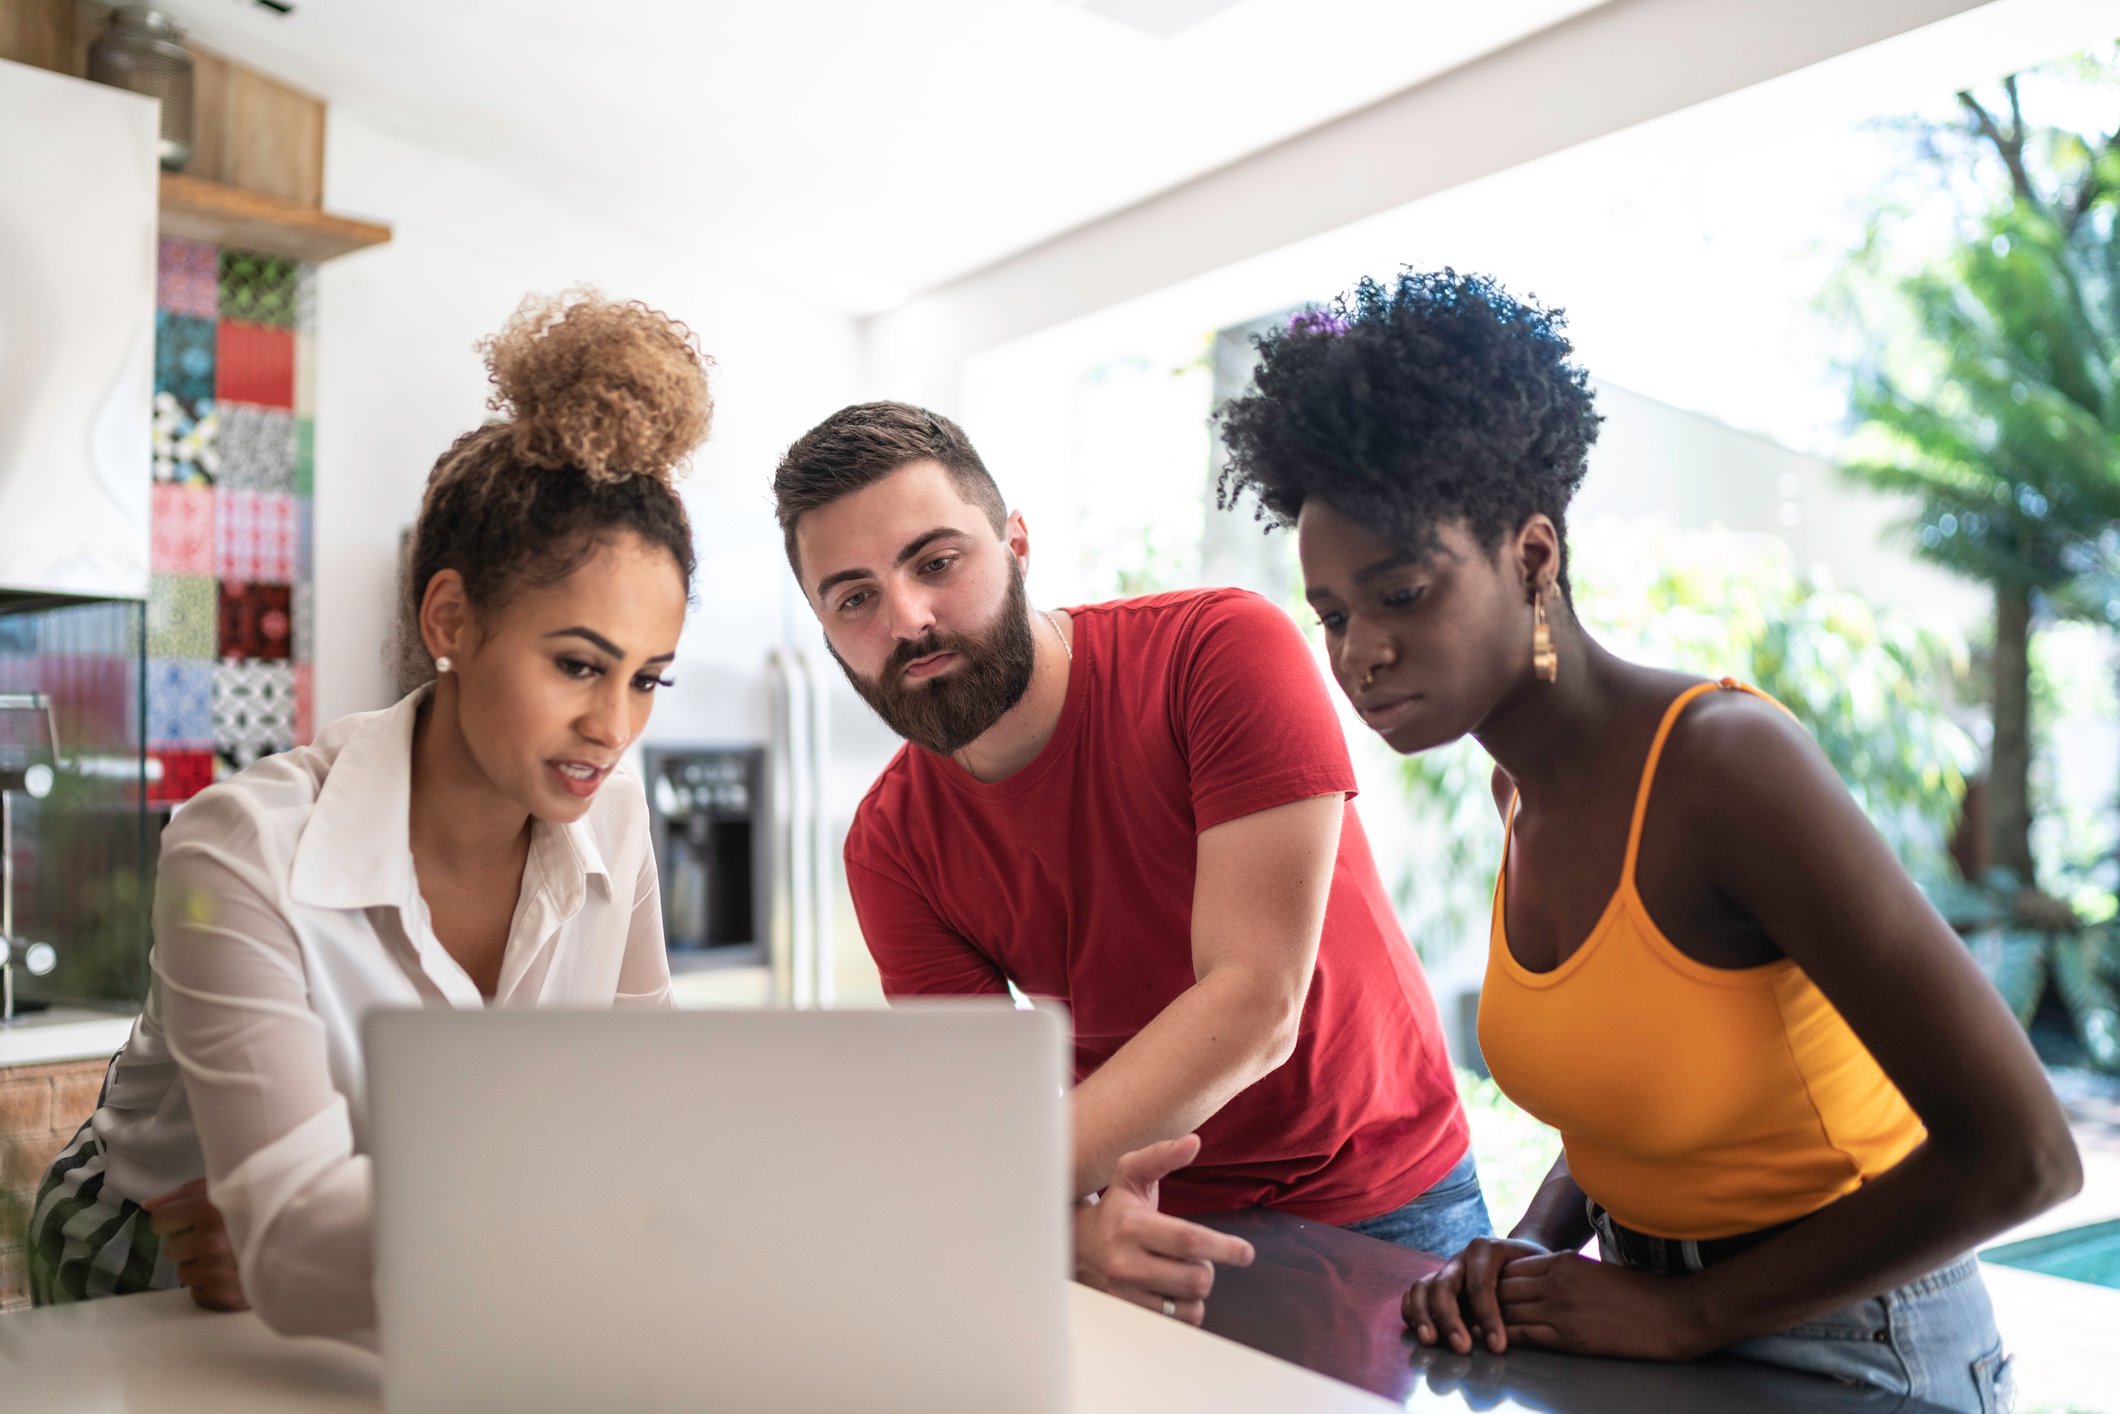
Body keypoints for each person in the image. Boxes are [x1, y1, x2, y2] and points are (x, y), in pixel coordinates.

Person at [1215, 268, 2082, 1410]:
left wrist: (1689, 1315)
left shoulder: (1725, 767)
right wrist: (1533, 1242)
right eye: (1330, 613)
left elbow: (2024, 1156)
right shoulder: (1517, 792)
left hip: (1856, 1340)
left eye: (1404, 594)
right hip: (1640, 1313)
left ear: (1531, 557)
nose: (1357, 651)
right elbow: (1638, 1081)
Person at [29, 291, 711, 1342]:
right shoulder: (241, 847)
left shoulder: (613, 821)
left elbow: (642, 1115)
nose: (612, 726)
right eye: (578, 664)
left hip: (400, 1246)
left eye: (647, 680)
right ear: (450, 617)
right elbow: (294, 1237)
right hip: (158, 1251)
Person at [770, 402, 1482, 1324]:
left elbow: (1258, 1001)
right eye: (855, 597)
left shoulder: (1216, 650)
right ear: (826, 630)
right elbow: (982, 1108)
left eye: (938, 563)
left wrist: (1005, 1200)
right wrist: (1064, 1229)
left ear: (1016, 544)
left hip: (1386, 1203)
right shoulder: (890, 846)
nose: (909, 619)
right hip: (1132, 1224)